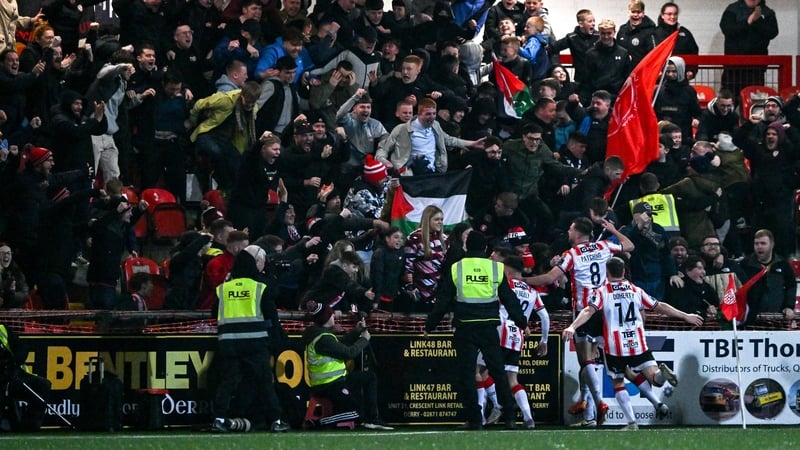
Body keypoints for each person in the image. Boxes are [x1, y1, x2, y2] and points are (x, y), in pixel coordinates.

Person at [563, 257, 703, 430]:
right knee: (654, 379)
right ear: (623, 272)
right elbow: (660, 306)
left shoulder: (602, 292)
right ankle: (661, 374)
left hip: (615, 345)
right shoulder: (635, 290)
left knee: (618, 383)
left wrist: (572, 326)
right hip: (637, 341)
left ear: (606, 272)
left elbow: (588, 310)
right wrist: (685, 316)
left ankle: (631, 423)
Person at [524, 216, 634, 428]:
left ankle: (599, 404)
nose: (568, 232)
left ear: (577, 233)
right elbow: (629, 245)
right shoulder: (603, 246)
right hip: (605, 307)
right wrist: (613, 229)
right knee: (606, 361)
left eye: (570, 229)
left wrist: (522, 280)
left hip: (585, 310)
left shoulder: (571, 254)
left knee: (586, 362)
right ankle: (590, 414)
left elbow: (548, 279)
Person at [425, 231, 527, 430]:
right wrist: (522, 322)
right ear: (486, 248)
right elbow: (509, 299)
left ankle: (474, 419)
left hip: (465, 326)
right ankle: (510, 417)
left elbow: (443, 301)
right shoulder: (495, 268)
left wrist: (430, 325)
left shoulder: (457, 268)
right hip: (489, 326)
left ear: (466, 247)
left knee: (467, 374)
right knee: (498, 372)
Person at [211, 246, 289, 433]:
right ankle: (276, 421)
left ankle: (219, 419)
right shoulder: (259, 288)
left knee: (228, 383)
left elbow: (215, 313)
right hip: (255, 343)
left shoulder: (223, 289)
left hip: (229, 343)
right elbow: (271, 314)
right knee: (265, 382)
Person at [481, 254, 550, 429]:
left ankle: (488, 412)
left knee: (480, 371)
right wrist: (544, 340)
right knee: (513, 380)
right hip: (517, 336)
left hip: (500, 331)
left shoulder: (505, 285)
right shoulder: (532, 291)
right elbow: (544, 316)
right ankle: (528, 418)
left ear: (508, 269)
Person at [302, 300, 394, 430]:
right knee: (357, 413)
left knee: (369, 377)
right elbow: (349, 353)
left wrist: (357, 331)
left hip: (338, 380)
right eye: (331, 314)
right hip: (328, 385)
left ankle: (372, 419)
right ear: (326, 318)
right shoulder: (323, 338)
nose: (334, 316)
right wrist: (364, 340)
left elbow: (340, 345)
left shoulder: (320, 334)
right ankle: (317, 423)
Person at [720, 0, 779, 99]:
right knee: (728, 102)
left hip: (756, 69)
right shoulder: (733, 9)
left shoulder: (767, 12)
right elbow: (727, 29)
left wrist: (757, 20)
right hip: (733, 68)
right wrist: (748, 21)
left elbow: (772, 32)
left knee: (754, 101)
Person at [623, 202, 682, 301]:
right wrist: (640, 227)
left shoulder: (657, 229)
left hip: (656, 277)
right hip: (636, 278)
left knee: (658, 308)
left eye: (649, 215)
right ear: (635, 215)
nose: (648, 218)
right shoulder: (627, 230)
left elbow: (666, 253)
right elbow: (630, 244)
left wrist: (673, 273)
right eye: (645, 215)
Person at [739, 229, 796, 322]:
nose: (759, 247)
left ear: (772, 245)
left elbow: (791, 285)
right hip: (751, 319)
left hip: (778, 317)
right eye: (756, 244)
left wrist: (789, 306)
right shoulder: (745, 264)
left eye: (763, 243)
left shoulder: (782, 263)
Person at [403, 205, 447, 311]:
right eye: (436, 219)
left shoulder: (444, 239)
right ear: (428, 220)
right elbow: (407, 266)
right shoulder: (414, 238)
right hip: (418, 294)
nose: (440, 222)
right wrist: (410, 288)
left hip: (438, 294)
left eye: (441, 219)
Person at [617, 0, 656, 67]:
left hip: (641, 71)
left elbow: (653, 55)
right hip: (623, 73)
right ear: (628, 12)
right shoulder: (622, 30)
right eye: (633, 12)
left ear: (643, 14)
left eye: (638, 12)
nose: (635, 15)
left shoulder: (650, 31)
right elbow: (616, 50)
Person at [0, 243, 28, 309]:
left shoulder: (15, 270)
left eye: (9, 253)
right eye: (2, 253)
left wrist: (12, 295)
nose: (6, 255)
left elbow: (24, 293)